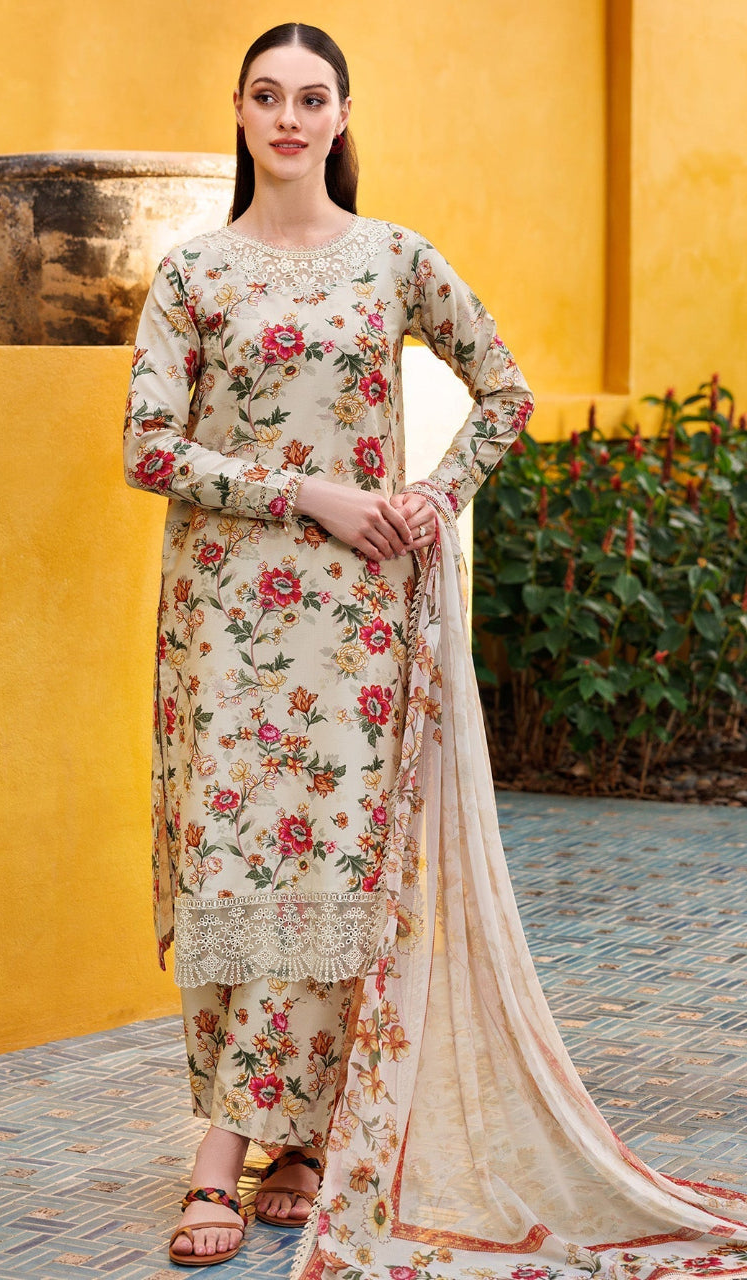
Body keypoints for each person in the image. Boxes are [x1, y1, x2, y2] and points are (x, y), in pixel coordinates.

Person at [124, 22, 747, 1279]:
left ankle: (287, 1149)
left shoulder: (392, 261)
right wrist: (318, 496)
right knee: (236, 870)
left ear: (342, 118)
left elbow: (504, 389)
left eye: (312, 98)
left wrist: (428, 497)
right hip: (227, 621)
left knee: (339, 881)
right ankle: (228, 1147)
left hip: (361, 623)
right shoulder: (192, 273)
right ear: (238, 113)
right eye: (266, 96)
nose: (288, 118)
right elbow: (147, 447)